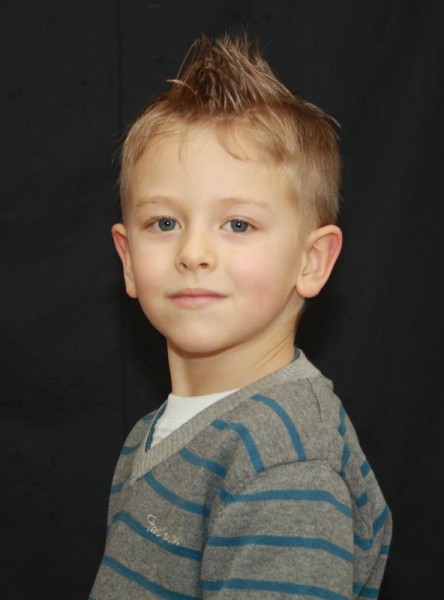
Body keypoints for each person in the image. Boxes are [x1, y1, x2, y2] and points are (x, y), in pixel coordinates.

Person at [90, 34, 391, 599]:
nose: (193, 253)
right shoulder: (155, 433)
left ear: (310, 261)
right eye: (164, 223)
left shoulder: (284, 461)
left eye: (238, 224)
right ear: (127, 260)